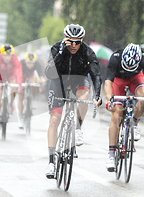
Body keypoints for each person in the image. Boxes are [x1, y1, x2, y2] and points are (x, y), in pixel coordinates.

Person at [44, 24, 102, 179]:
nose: (74, 45)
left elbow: (96, 75)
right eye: (71, 41)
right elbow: (49, 72)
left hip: (79, 81)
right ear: (65, 39)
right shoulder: (57, 48)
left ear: (82, 40)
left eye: (78, 42)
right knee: (54, 120)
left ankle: (77, 128)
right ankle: (51, 161)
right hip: (59, 82)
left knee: (84, 97)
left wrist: (97, 95)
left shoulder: (87, 51)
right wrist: (62, 51)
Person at [104, 43, 144, 172]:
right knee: (116, 115)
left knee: (143, 98)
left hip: (135, 79)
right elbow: (108, 82)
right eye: (126, 67)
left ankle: (134, 123)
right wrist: (109, 99)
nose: (128, 69)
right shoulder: (115, 57)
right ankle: (111, 154)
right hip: (118, 81)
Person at [0, 44, 23, 129]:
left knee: (14, 86)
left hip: (10, 75)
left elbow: (18, 71)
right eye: (5, 55)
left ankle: (11, 103)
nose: (7, 58)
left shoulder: (15, 59)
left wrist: (19, 84)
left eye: (9, 55)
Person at [18, 52, 45, 128]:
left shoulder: (37, 63)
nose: (30, 65)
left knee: (35, 82)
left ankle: (32, 97)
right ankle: (20, 117)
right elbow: (17, 75)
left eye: (32, 63)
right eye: (28, 63)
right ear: (25, 61)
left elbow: (41, 74)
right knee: (21, 96)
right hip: (22, 76)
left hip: (31, 75)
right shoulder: (21, 63)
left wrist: (41, 82)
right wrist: (20, 86)